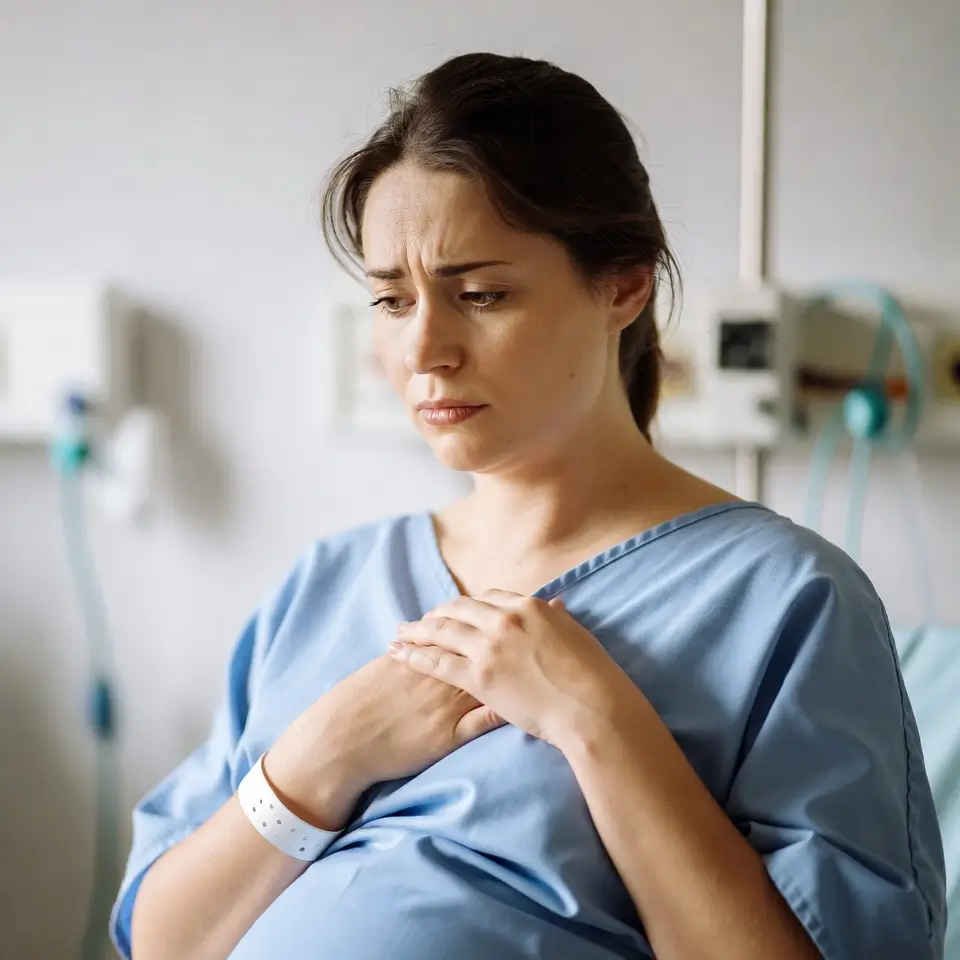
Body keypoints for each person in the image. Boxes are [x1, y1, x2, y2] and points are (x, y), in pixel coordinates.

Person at [111, 53, 946, 960]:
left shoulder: (784, 597)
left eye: (481, 295)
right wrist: (322, 758)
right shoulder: (328, 585)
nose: (424, 349)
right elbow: (162, 942)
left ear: (623, 285)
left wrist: (598, 723)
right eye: (391, 300)